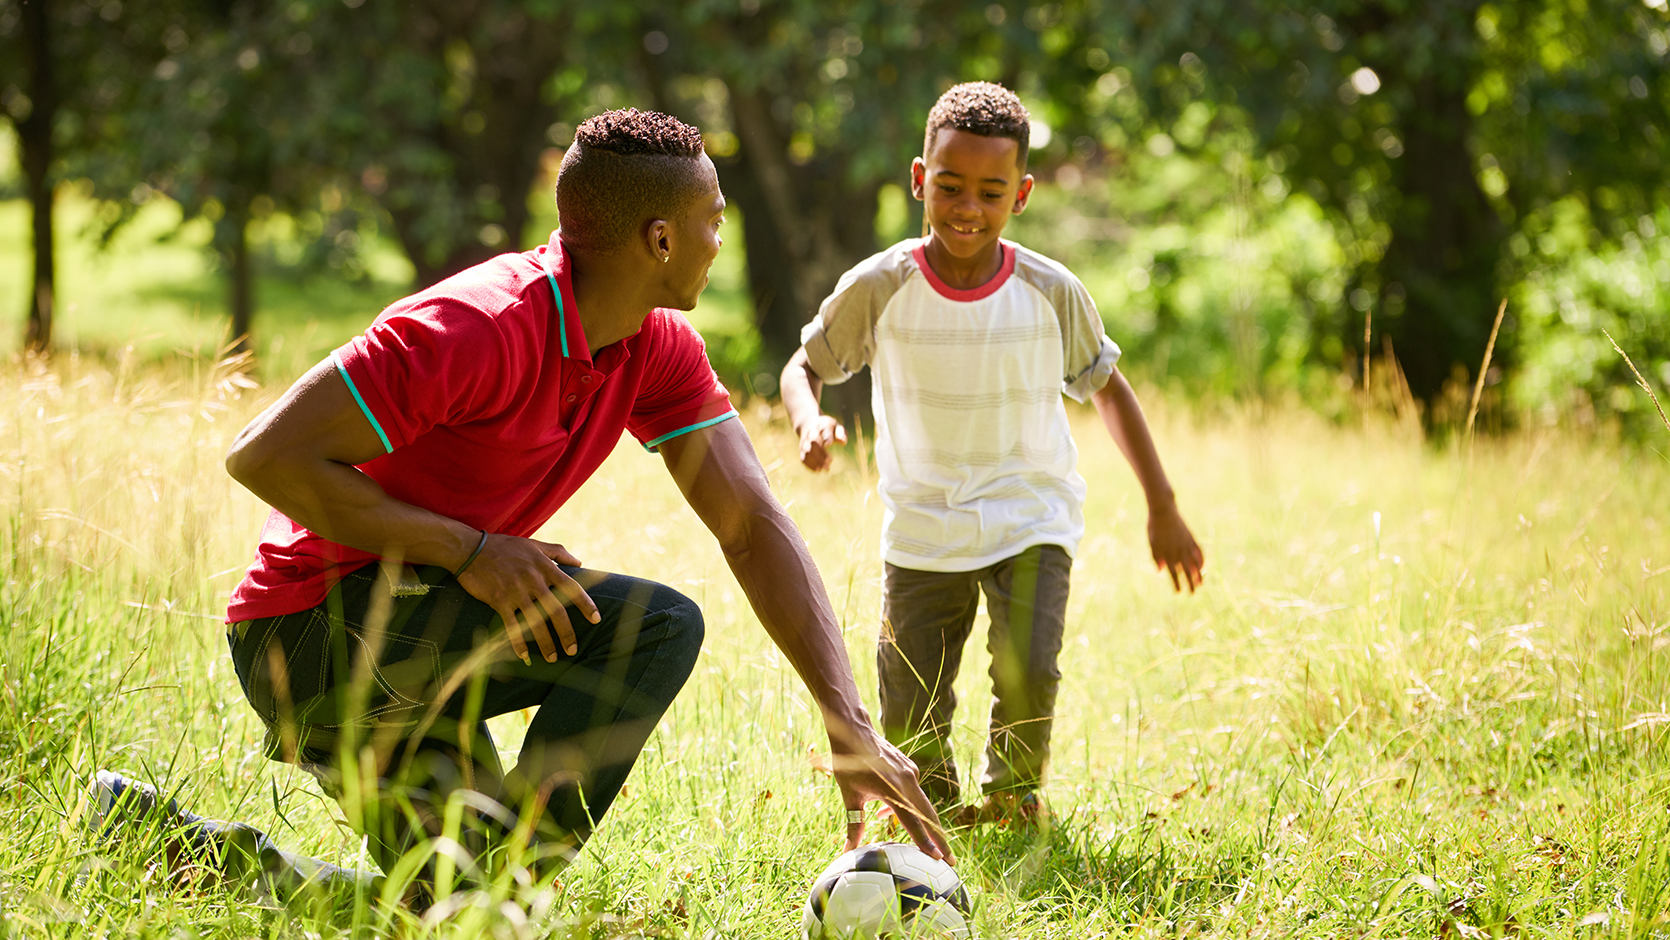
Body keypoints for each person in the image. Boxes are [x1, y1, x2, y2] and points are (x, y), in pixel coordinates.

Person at [93, 108, 949, 905]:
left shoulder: (654, 350)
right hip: (313, 635)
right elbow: (264, 455)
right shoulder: (480, 327)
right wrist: (468, 550)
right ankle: (504, 903)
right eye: (712, 220)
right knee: (653, 627)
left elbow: (750, 524)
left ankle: (174, 842)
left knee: (456, 908)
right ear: (659, 237)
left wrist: (848, 720)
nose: (721, 240)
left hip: (420, 639)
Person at [780, 83, 1205, 827]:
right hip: (922, 527)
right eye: (949, 187)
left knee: (1030, 670)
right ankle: (931, 805)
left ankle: (1012, 799)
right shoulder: (882, 285)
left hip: (1030, 515)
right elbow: (803, 364)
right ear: (920, 178)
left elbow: (1108, 389)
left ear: (1023, 193)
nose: (967, 207)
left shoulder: (1049, 291)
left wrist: (1162, 504)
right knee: (910, 693)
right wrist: (808, 418)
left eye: (991, 191)